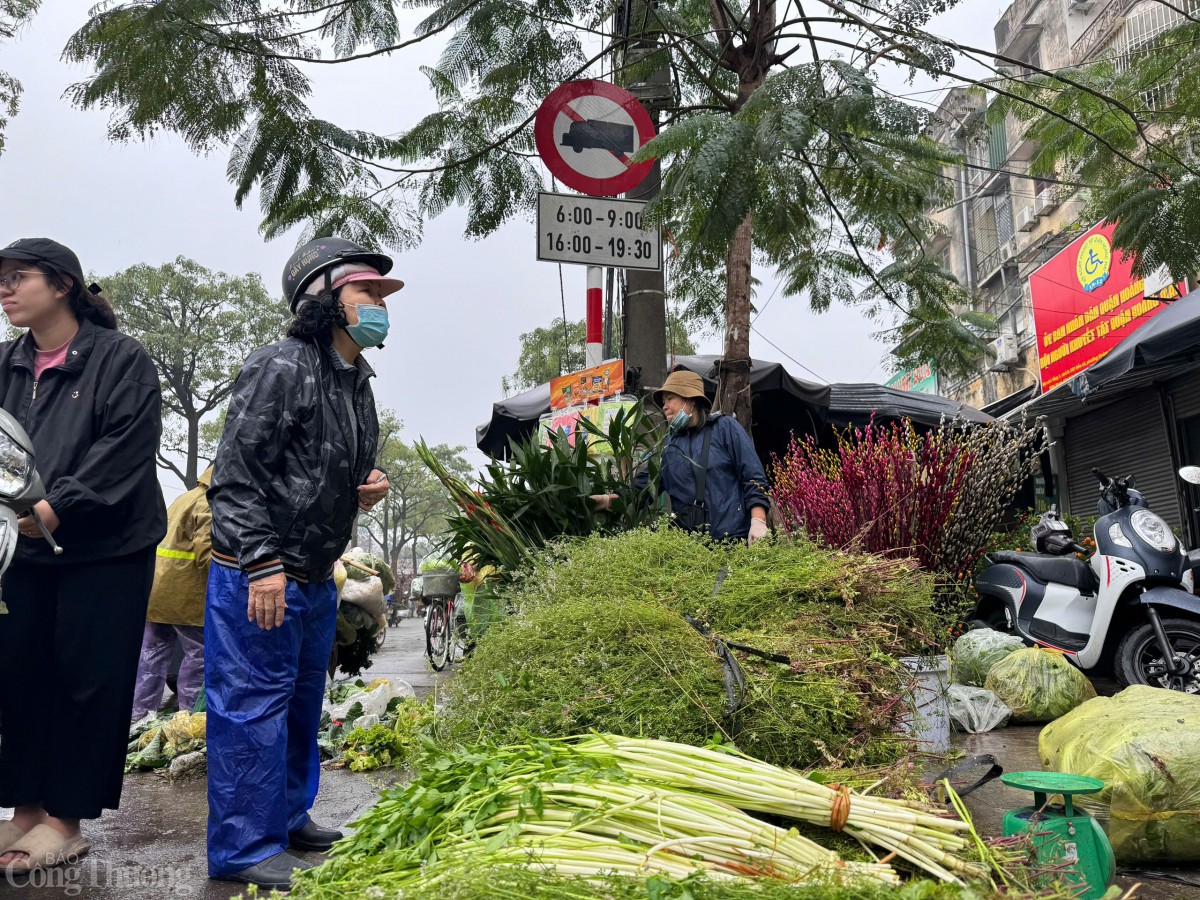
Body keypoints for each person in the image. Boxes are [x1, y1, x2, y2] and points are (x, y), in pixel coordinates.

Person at [205, 237, 396, 890]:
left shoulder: (357, 383)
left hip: (314, 575)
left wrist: (363, 487)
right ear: (323, 299)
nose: (379, 306)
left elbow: (319, 472)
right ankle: (242, 848)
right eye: (366, 292)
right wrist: (261, 564)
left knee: (297, 704)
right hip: (259, 572)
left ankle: (286, 817)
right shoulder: (281, 365)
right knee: (252, 708)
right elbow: (234, 477)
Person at [0, 238, 167, 874]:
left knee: (85, 678)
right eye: (2, 281)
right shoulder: (6, 364)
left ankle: (65, 821)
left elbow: (124, 448)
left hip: (105, 548)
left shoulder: (120, 360)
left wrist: (55, 507)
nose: (6, 290)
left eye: (19, 278)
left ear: (64, 284)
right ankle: (23, 812)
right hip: (22, 549)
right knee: (18, 674)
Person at [598, 371, 770, 544]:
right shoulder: (668, 447)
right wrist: (607, 501)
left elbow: (753, 477)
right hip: (689, 548)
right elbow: (641, 490)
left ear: (691, 399)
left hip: (732, 541)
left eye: (670, 398)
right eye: (663, 402)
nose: (664, 406)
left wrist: (758, 521)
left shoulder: (724, 429)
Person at [130, 465, 215, 723]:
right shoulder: (209, 504)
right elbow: (208, 555)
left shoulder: (185, 497)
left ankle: (140, 716)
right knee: (199, 654)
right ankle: (189, 717)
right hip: (186, 596)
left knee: (152, 653)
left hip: (158, 593)